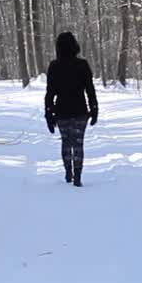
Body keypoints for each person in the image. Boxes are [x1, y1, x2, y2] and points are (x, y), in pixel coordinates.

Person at [44, 32, 98, 187]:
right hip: (81, 111)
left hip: (61, 112)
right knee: (78, 143)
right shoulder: (82, 65)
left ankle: (68, 172)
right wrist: (94, 109)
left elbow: (50, 93)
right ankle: (78, 176)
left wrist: (49, 113)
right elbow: (90, 90)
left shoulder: (54, 66)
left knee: (66, 142)